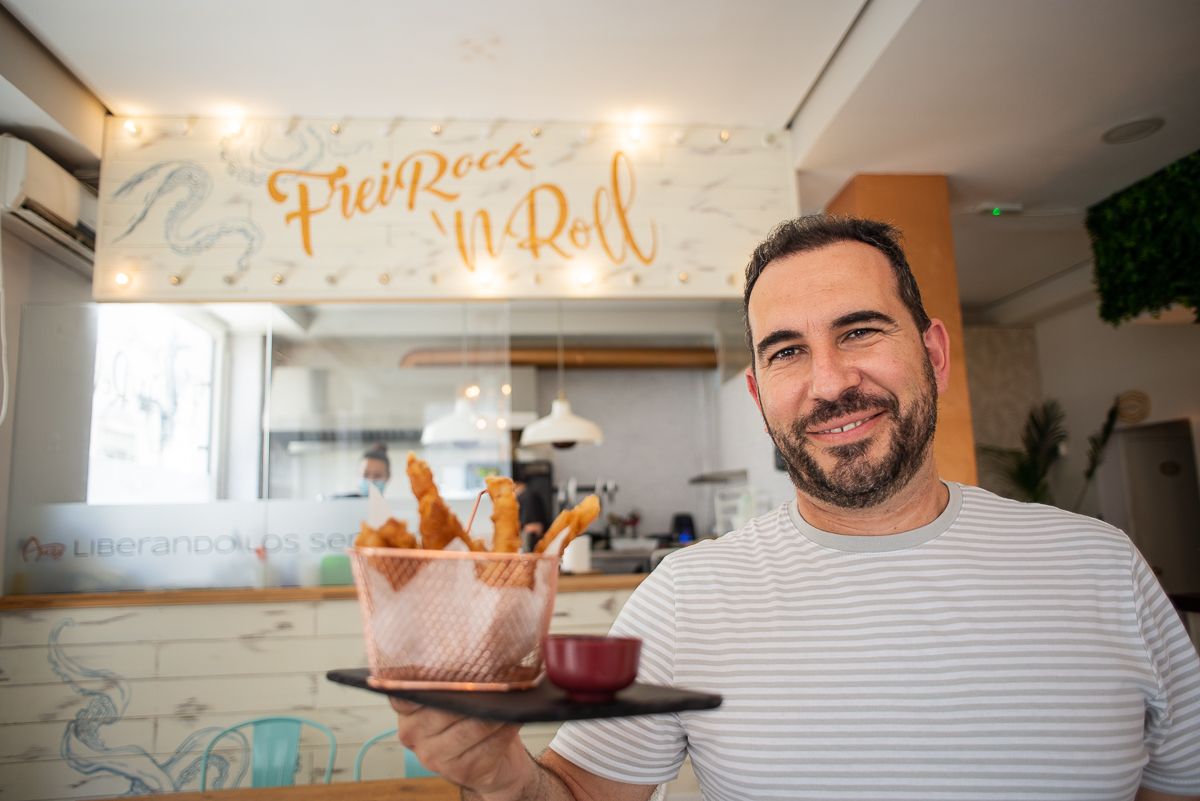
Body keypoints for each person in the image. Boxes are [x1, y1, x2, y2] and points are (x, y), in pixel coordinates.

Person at [390, 215, 1200, 800]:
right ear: (759, 394)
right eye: (787, 351)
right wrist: (502, 782)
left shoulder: (1101, 564)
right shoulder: (686, 596)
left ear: (935, 354)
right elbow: (573, 795)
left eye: (860, 331)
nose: (829, 381)